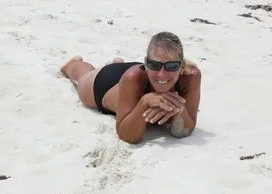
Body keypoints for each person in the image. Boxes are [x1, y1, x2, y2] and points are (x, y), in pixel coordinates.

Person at [61, 32, 202, 144]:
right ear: (146, 64)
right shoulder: (133, 78)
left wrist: (180, 109)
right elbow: (126, 135)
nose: (162, 74)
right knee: (83, 77)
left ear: (181, 66)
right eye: (154, 65)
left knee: (148, 75)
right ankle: (73, 64)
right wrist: (144, 102)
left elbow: (184, 130)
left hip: (137, 76)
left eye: (171, 66)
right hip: (109, 83)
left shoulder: (191, 76)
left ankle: (118, 63)